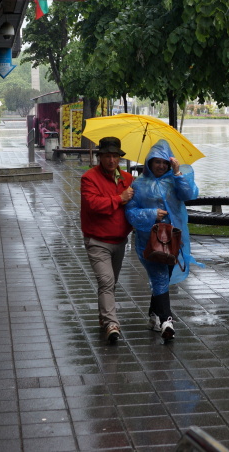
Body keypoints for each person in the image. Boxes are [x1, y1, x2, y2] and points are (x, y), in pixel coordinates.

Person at [125, 139, 200, 341]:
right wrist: (151, 214)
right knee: (159, 277)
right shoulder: (138, 184)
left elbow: (189, 194)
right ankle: (167, 320)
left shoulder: (174, 181)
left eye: (164, 162)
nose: (160, 166)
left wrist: (177, 174)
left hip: (173, 240)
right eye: (156, 161)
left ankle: (153, 315)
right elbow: (130, 212)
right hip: (148, 242)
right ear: (149, 162)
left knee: (163, 277)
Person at [80, 137, 135, 344]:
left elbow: (135, 206)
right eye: (107, 156)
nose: (111, 160)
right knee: (106, 281)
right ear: (100, 157)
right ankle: (112, 324)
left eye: (115, 156)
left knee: (111, 283)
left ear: (120, 158)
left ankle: (104, 317)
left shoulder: (127, 179)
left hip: (119, 240)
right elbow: (93, 204)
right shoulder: (89, 178)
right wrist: (120, 198)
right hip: (97, 240)